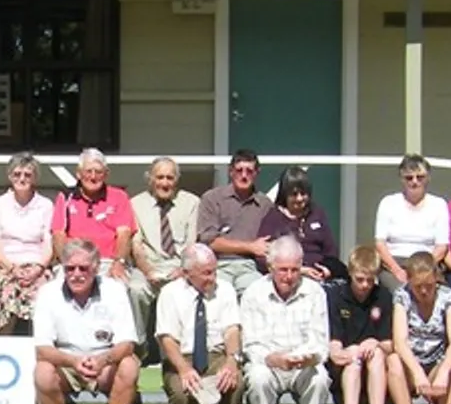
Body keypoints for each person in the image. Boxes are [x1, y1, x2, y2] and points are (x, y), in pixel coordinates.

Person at [31, 239, 141, 404]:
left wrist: (102, 360)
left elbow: (127, 344)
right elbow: (42, 349)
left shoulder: (115, 290)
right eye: (70, 269)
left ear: (97, 268)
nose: (76, 274)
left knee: (129, 366)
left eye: (84, 268)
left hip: (105, 362)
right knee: (42, 371)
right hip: (66, 362)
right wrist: (73, 361)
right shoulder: (48, 293)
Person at [240, 235, 333, 404]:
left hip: (302, 363)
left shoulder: (315, 292)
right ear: (270, 266)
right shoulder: (254, 293)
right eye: (283, 269)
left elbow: (320, 340)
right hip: (269, 363)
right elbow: (251, 344)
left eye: (294, 269)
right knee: (257, 377)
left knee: (319, 377)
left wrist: (306, 357)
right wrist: (272, 358)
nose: (289, 276)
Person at [154, 243, 243, 404]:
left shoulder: (226, 290)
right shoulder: (170, 294)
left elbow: (232, 329)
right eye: (206, 273)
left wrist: (231, 361)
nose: (212, 278)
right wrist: (184, 369)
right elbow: (167, 338)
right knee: (182, 392)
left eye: (214, 271)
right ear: (187, 273)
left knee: (235, 384)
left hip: (216, 355)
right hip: (181, 357)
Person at [326, 246, 402, 404]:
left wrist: (375, 342)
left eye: (370, 280)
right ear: (350, 273)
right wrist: (343, 351)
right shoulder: (336, 296)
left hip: (374, 364)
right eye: (360, 279)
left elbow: (390, 343)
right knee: (353, 358)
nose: (365, 285)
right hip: (348, 363)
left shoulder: (383, 297)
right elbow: (334, 344)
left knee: (377, 355)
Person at [392, 252, 451, 404]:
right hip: (411, 365)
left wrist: (443, 373)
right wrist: (416, 373)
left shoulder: (449, 296)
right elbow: (400, 342)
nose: (423, 291)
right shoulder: (402, 296)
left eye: (429, 285)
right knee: (393, 360)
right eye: (418, 286)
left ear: (436, 279)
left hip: (435, 363)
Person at [131, 155, 201, 345]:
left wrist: (183, 270)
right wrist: (147, 271)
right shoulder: (135, 204)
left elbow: (191, 243)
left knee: (191, 290)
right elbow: (136, 245)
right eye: (160, 177)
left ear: (176, 180)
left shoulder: (192, 202)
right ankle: (139, 346)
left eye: (169, 178)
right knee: (135, 290)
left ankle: (183, 347)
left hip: (180, 266)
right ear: (151, 179)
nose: (164, 183)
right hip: (147, 265)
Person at [0, 153, 54, 335]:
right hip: (6, 265)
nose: (21, 179)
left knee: (44, 291)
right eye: (17, 174)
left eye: (27, 174)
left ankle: (42, 347)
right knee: (8, 289)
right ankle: (4, 345)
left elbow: (48, 243)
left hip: (36, 264)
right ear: (9, 176)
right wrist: (12, 269)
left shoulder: (46, 205)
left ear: (35, 178)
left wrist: (38, 268)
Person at [49, 148, 137, 285]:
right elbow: (58, 234)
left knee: (119, 287)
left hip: (107, 261)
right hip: (74, 262)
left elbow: (124, 234)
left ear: (106, 174)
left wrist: (119, 262)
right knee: (57, 288)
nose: (93, 176)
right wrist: (68, 264)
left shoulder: (119, 196)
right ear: (78, 173)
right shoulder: (65, 197)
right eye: (88, 171)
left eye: (98, 172)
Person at [197, 148, 275, 297]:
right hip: (217, 265)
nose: (244, 176)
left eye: (249, 171)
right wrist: (250, 247)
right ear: (230, 172)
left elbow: (267, 245)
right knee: (219, 294)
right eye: (239, 170)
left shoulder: (265, 204)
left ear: (257, 173)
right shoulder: (212, 199)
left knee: (257, 293)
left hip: (251, 267)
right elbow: (210, 242)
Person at [372, 154, 449, 292]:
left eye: (420, 177)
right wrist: (397, 271)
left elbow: (442, 247)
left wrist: (421, 269)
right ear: (402, 179)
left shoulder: (439, 204)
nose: (414, 182)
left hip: (428, 263)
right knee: (401, 291)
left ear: (428, 178)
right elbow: (380, 244)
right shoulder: (388, 203)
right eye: (409, 177)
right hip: (395, 264)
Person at [256, 166, 345, 282]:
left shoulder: (317, 213)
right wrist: (299, 270)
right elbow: (263, 258)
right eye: (294, 194)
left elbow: (331, 251)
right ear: (284, 194)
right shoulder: (273, 217)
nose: (299, 199)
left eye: (303, 194)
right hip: (286, 276)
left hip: (318, 275)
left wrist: (327, 269)